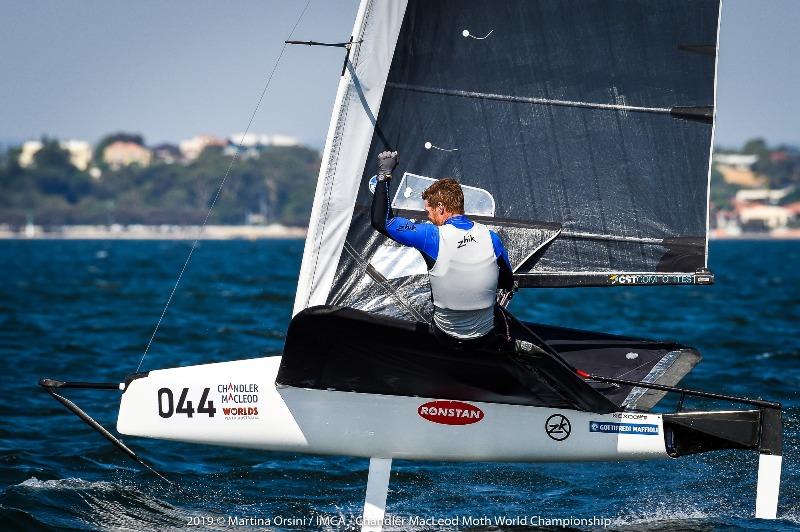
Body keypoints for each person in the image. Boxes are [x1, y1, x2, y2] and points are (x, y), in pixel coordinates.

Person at [370, 150, 515, 349]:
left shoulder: (431, 236)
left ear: (440, 208)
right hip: (485, 338)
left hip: (445, 337)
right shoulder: (491, 238)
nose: (428, 217)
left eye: (428, 211)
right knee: (497, 313)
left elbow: (381, 221)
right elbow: (507, 281)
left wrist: (385, 174)